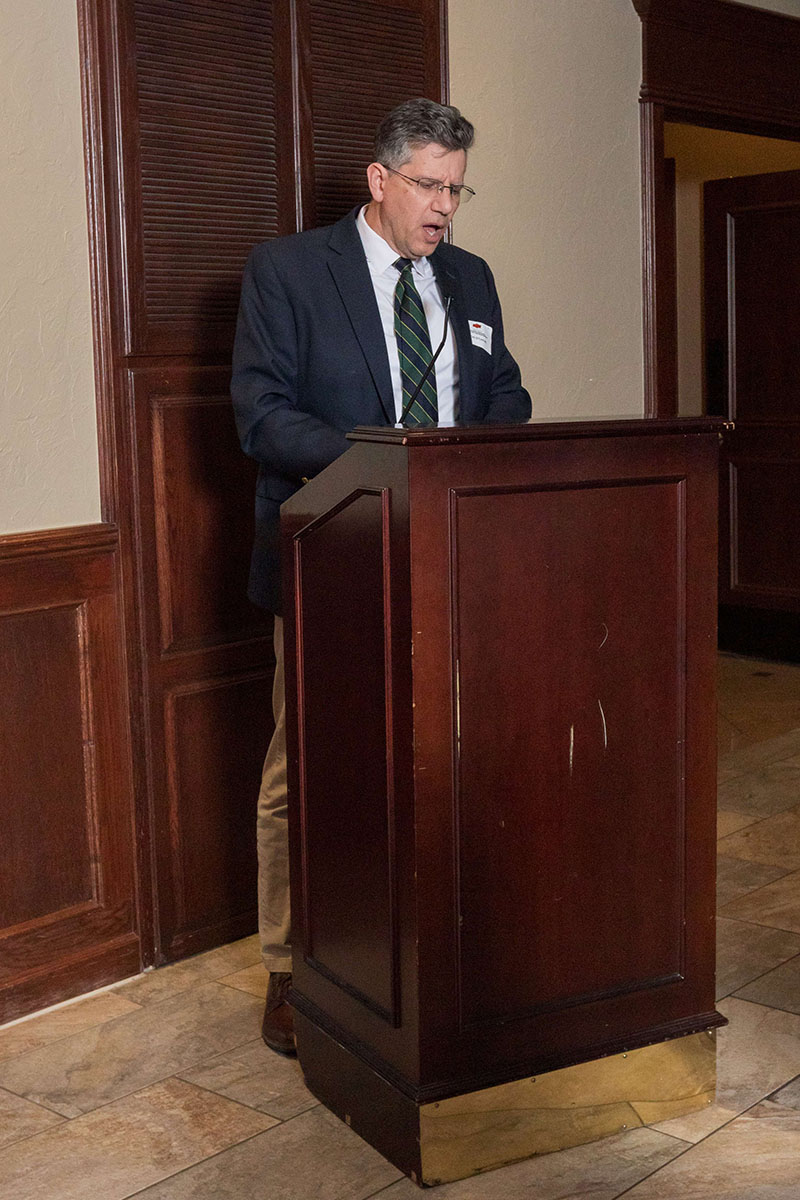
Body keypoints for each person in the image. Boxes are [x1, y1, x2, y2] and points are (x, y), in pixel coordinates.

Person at [232, 97, 531, 1054]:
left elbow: (510, 394)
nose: (445, 208)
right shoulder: (288, 271)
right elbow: (262, 418)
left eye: (457, 189)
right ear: (380, 181)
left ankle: (439, 957)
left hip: (456, 563)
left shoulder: (471, 279)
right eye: (430, 187)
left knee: (447, 758)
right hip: (335, 561)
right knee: (305, 774)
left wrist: (458, 471)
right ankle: (289, 968)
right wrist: (390, 466)